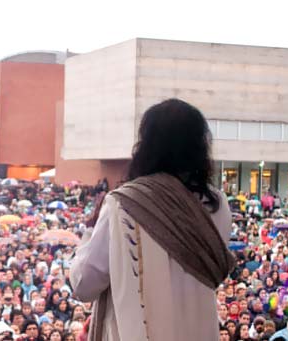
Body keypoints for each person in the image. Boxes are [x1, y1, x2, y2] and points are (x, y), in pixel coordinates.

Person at [70, 99, 235, 340]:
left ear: (146, 146)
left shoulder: (124, 204)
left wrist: (89, 233)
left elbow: (84, 284)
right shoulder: (218, 206)